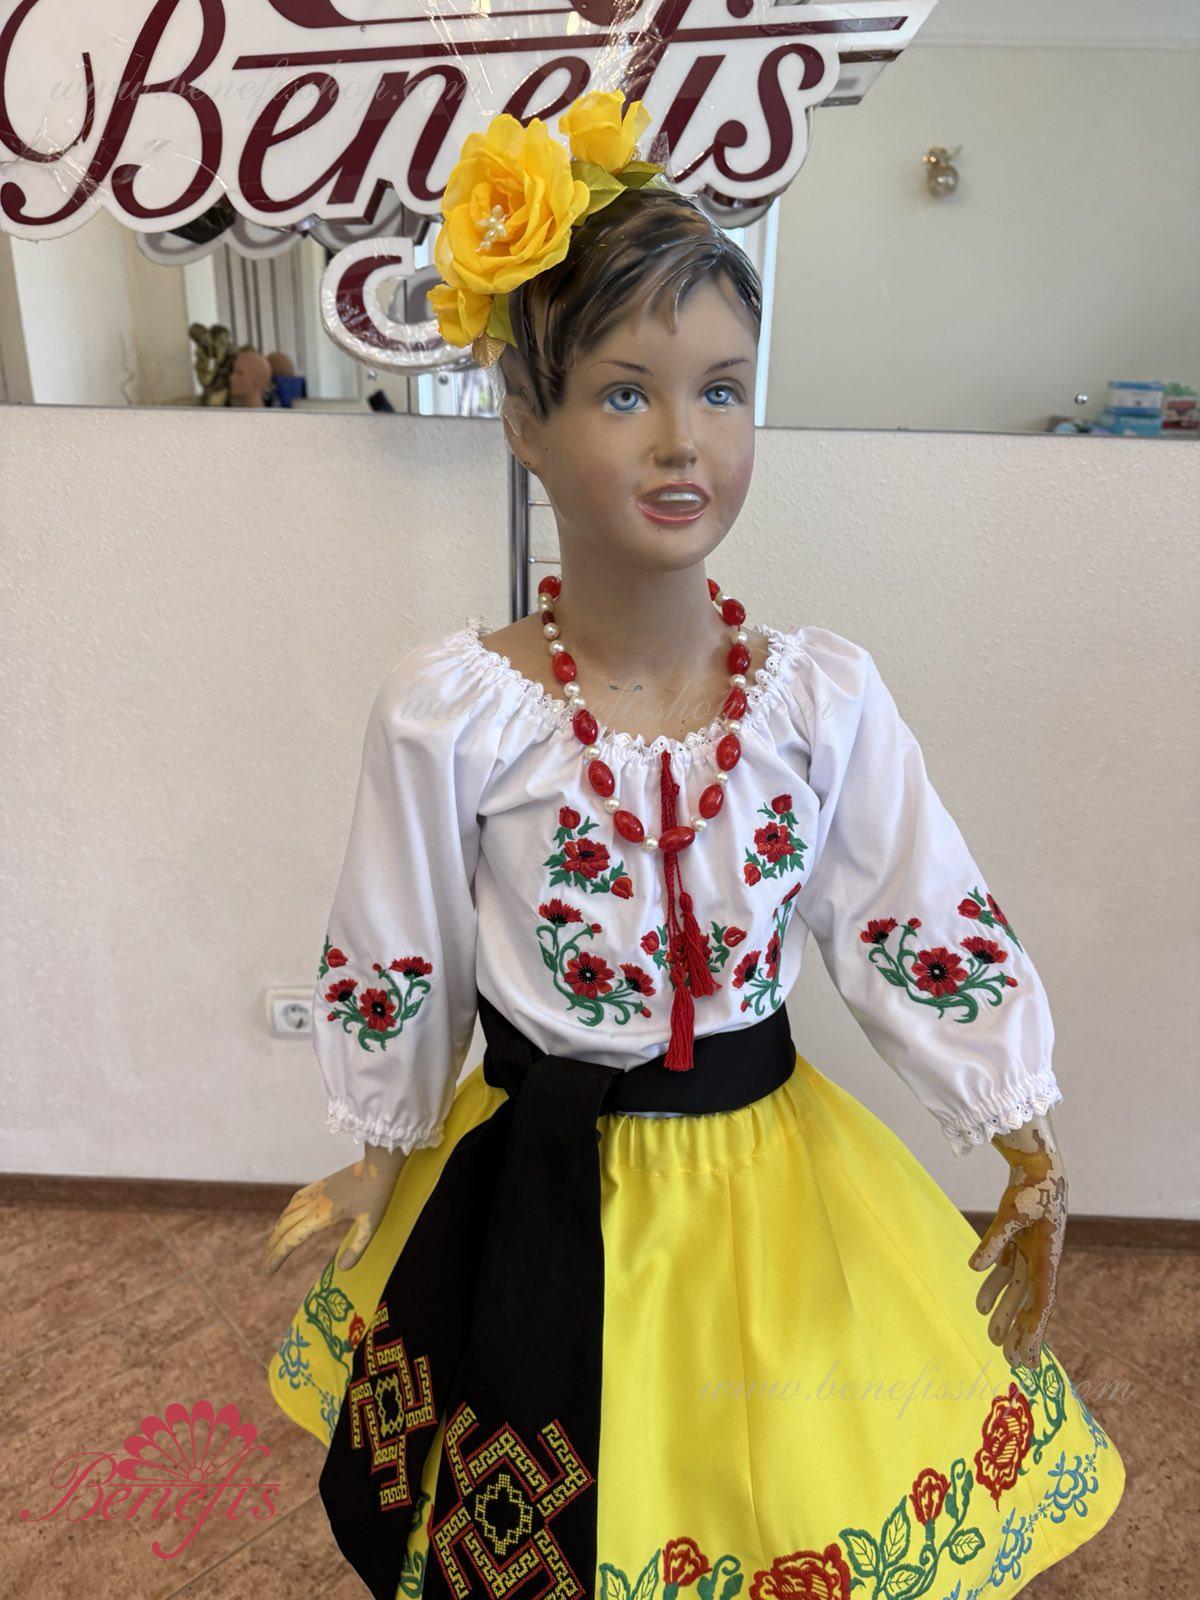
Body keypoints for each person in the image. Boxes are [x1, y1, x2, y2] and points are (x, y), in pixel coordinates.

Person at [263, 90, 1124, 1598]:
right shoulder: (455, 711)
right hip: (526, 1182)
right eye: (624, 394)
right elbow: (403, 943)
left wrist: (1023, 1136)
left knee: (767, 1483)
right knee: (526, 1497)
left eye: (722, 391)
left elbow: (912, 912)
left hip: (767, 1184)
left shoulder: (816, 702)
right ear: (523, 421)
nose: (683, 442)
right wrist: (379, 1157)